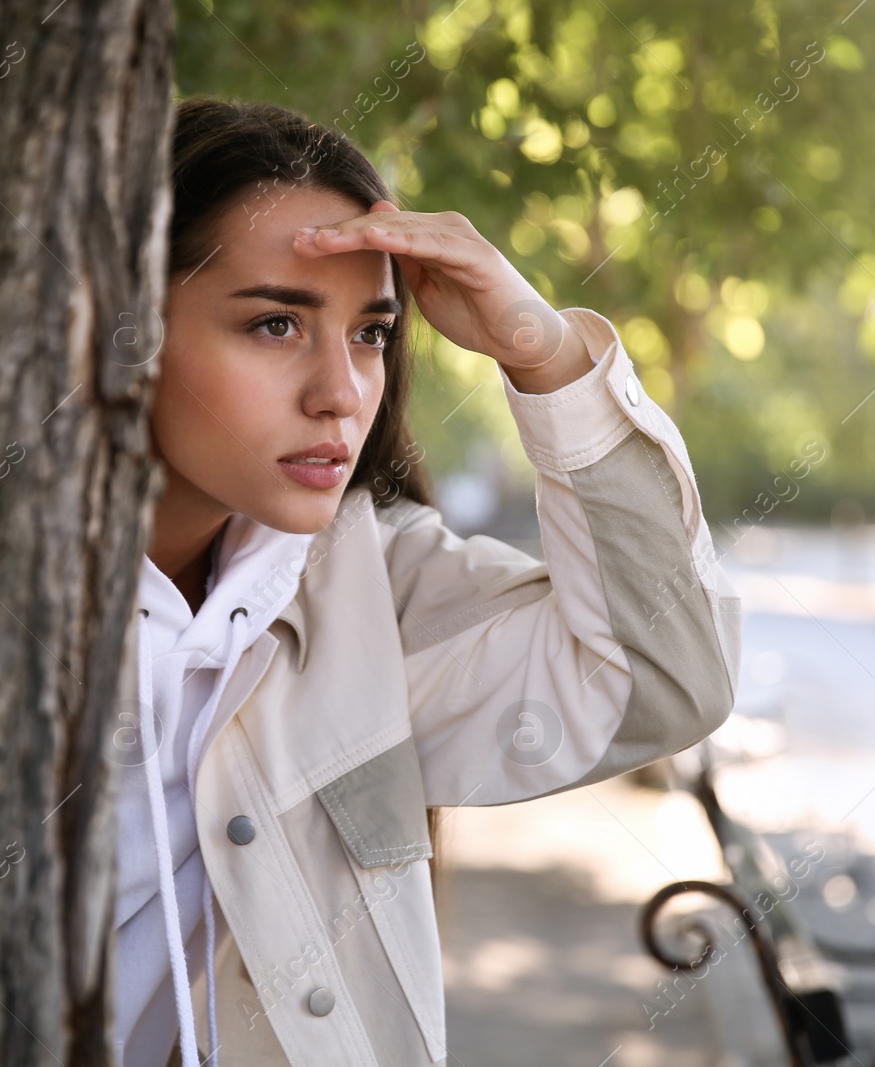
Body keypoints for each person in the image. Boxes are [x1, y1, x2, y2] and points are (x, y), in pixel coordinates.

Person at [113, 96, 742, 1067]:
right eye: (275, 323)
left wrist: (542, 353)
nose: (341, 390)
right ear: (126, 332)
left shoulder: (373, 592)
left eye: (370, 332)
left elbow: (664, 675)